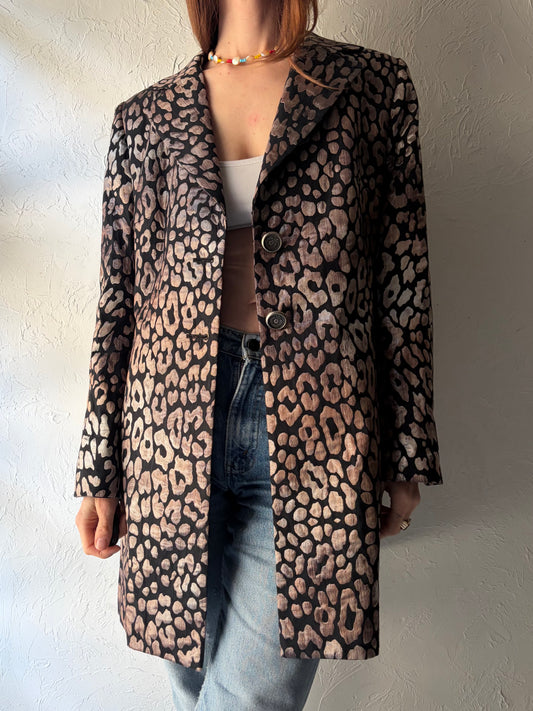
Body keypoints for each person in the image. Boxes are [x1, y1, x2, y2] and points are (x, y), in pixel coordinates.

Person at [74, 0, 443, 709]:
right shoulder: (144, 118)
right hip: (168, 433)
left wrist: (406, 452)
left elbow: (402, 279)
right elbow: (118, 300)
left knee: (251, 698)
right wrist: (98, 465)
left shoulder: (371, 88)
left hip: (320, 430)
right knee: (191, 684)